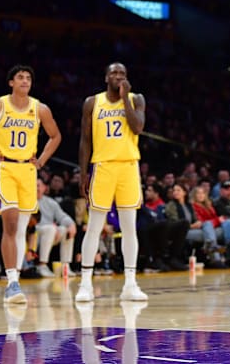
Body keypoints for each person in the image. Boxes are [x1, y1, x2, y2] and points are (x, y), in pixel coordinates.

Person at [0, 65, 62, 303]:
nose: (25, 81)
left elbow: (55, 136)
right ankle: (11, 282)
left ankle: (15, 280)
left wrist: (41, 160)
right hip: (5, 168)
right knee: (10, 223)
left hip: (28, 170)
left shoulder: (40, 108)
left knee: (22, 228)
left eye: (28, 78)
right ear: (11, 82)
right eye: (20, 77)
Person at [75, 62, 147, 303]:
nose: (118, 76)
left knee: (129, 227)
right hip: (103, 167)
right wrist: (83, 172)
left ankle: (130, 283)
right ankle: (85, 283)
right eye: (114, 73)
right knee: (94, 225)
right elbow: (85, 140)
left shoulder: (136, 99)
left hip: (128, 167)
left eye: (122, 74)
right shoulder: (92, 102)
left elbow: (137, 127)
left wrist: (125, 98)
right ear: (106, 77)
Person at [34, 178, 77, 278]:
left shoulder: (50, 202)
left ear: (45, 188)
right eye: (33, 185)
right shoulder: (27, 201)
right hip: (33, 234)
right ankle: (42, 265)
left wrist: (71, 224)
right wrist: (53, 228)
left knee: (65, 230)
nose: (36, 188)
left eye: (38, 185)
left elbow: (62, 216)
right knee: (51, 228)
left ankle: (65, 266)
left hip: (50, 234)